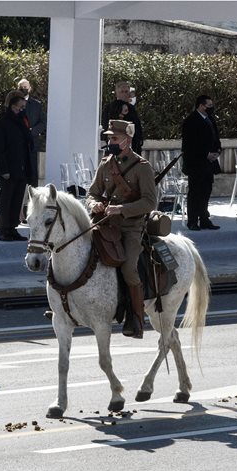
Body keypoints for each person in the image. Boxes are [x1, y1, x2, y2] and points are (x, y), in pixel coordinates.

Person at [85, 119, 157, 339]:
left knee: (128, 267)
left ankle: (136, 318)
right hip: (105, 223)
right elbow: (92, 192)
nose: (110, 142)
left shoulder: (142, 167)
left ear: (127, 140)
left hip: (130, 227)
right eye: (108, 138)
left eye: (114, 138)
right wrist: (93, 204)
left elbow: (149, 202)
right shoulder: (106, 164)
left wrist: (122, 209)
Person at [0, 90, 37, 242]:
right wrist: (4, 170)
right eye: (18, 107)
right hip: (9, 169)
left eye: (23, 107)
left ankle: (12, 228)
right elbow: (0, 150)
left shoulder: (22, 122)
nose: (21, 110)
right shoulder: (2, 124)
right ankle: (4, 229)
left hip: (22, 168)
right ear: (11, 105)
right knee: (7, 199)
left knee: (17, 199)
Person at [181, 94, 221, 231]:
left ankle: (204, 218)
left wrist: (217, 151)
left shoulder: (210, 119)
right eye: (208, 105)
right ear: (200, 106)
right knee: (195, 192)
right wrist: (205, 154)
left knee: (206, 190)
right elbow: (189, 144)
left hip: (209, 164)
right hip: (195, 163)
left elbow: (215, 137)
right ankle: (192, 220)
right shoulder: (191, 121)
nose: (211, 108)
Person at [104, 82, 143, 154]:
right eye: (122, 91)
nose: (124, 94)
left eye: (126, 92)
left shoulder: (131, 108)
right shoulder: (110, 108)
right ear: (116, 93)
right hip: (117, 145)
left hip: (134, 144)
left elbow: (137, 126)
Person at [18, 78, 47, 157]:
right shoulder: (12, 105)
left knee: (32, 168)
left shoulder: (37, 105)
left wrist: (32, 131)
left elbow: (43, 122)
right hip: (16, 144)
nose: (23, 89)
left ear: (29, 88)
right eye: (21, 87)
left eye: (25, 87)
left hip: (33, 144)